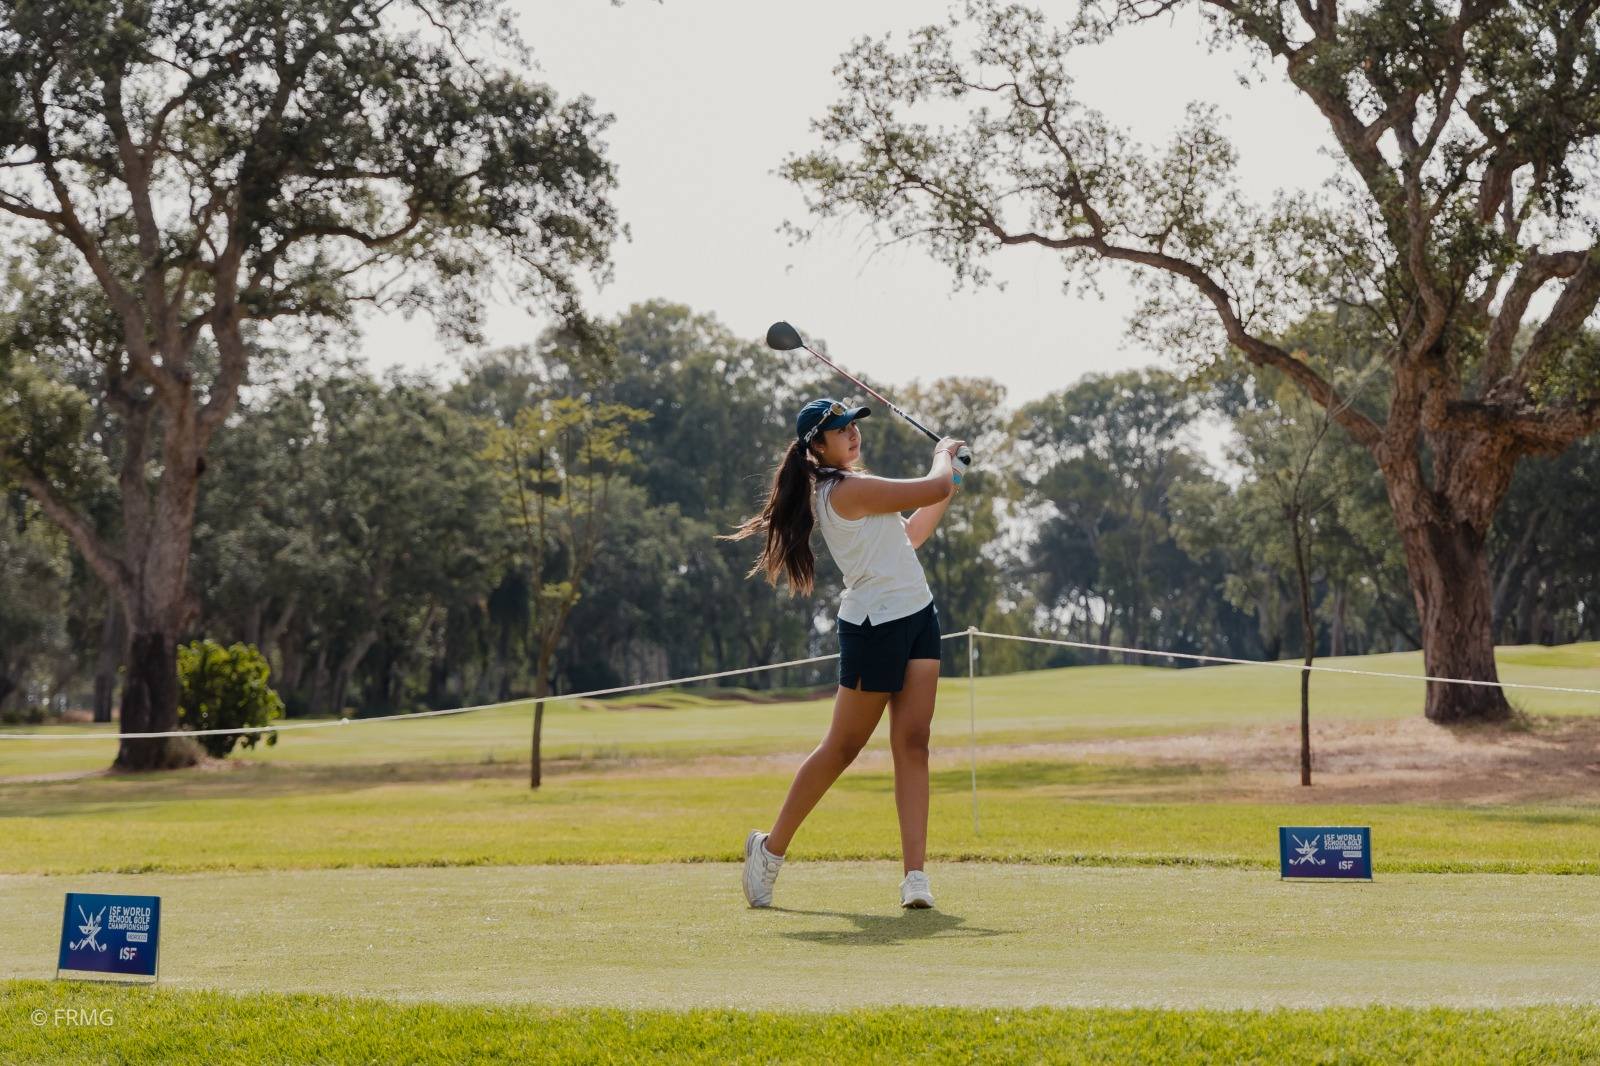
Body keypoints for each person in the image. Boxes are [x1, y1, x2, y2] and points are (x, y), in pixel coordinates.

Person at [723, 397, 964, 909]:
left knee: (914, 743)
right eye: (840, 429)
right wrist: (944, 455)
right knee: (842, 748)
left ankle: (915, 876)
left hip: (918, 615)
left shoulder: (858, 483)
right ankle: (769, 850)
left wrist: (953, 476)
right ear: (817, 446)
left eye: (853, 424)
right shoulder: (842, 490)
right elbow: (934, 485)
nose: (852, 432)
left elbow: (912, 533)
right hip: (874, 627)